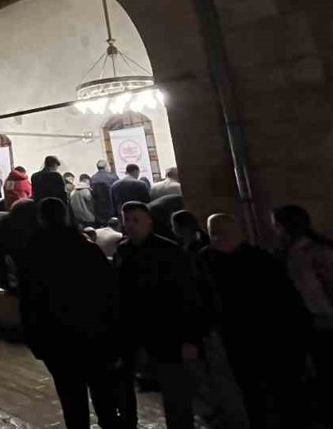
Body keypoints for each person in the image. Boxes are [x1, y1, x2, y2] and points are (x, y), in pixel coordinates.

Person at [20, 198, 123, 429]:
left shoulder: (34, 255)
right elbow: (109, 294)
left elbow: (29, 302)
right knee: (105, 399)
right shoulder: (86, 249)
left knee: (72, 402)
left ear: (41, 220)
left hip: (57, 342)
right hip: (94, 337)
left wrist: (36, 341)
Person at [202, 214, 310, 429]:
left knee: (256, 390)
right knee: (274, 391)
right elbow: (287, 299)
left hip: (245, 334)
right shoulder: (259, 258)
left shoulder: (207, 259)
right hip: (261, 333)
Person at [272, 204, 333, 424]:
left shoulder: (304, 254)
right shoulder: (307, 251)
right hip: (323, 326)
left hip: (325, 327)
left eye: (276, 226)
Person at [115, 201, 202, 429]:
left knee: (175, 394)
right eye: (127, 220)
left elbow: (186, 295)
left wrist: (189, 336)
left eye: (136, 220)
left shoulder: (168, 251)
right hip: (137, 332)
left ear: (148, 221)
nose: (131, 225)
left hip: (167, 333)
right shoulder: (124, 251)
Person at [89, 159, 119, 226]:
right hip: (112, 209)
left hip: (98, 211)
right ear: (106, 166)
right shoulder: (113, 177)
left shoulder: (93, 178)